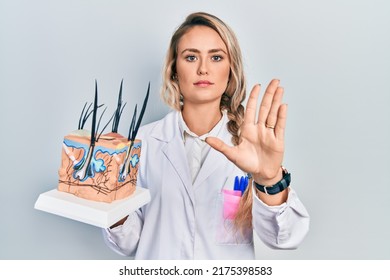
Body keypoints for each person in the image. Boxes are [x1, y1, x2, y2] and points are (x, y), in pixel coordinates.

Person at [103, 12, 309, 259]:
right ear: (174, 70)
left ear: (230, 70)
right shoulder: (142, 144)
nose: (203, 69)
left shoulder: (249, 146)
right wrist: (112, 194)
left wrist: (269, 178)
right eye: (191, 57)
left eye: (216, 57)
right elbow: (128, 243)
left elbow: (285, 238)